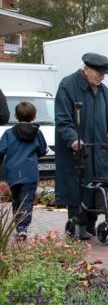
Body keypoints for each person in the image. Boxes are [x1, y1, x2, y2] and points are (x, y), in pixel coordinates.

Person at [55, 53, 108, 240]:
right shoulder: (68, 85)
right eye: (98, 73)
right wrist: (73, 139)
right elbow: (63, 119)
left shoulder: (103, 91)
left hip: (99, 149)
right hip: (78, 150)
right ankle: (77, 223)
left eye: (104, 74)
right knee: (78, 186)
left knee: (97, 185)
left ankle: (91, 224)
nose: (102, 77)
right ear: (86, 69)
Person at [0, 101, 48, 240]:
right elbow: (42, 150)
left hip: (12, 172)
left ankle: (18, 225)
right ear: (34, 117)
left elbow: (1, 151)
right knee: (27, 199)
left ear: (15, 115)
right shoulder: (37, 133)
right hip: (30, 171)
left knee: (16, 199)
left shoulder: (9, 133)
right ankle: (23, 227)